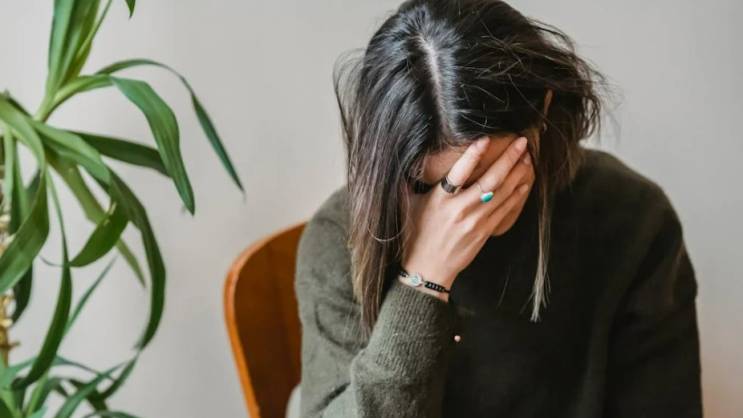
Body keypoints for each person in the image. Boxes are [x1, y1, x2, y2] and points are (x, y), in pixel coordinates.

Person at [293, 0, 703, 417]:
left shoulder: (632, 218)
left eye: (487, 176)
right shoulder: (339, 240)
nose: (462, 211)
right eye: (427, 185)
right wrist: (423, 284)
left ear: (543, 110)